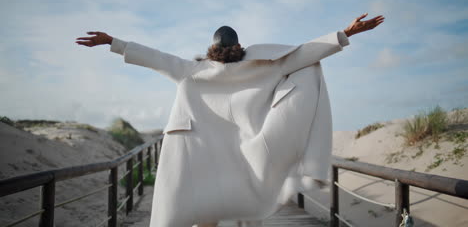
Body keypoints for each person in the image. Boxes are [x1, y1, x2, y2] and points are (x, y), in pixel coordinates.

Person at [76, 13, 384, 227]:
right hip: (242, 152)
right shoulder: (265, 66)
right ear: (239, 47)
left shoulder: (193, 70)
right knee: (236, 205)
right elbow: (304, 53)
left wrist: (112, 42)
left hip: (196, 151)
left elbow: (154, 57)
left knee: (195, 207)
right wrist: (347, 32)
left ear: (212, 48)